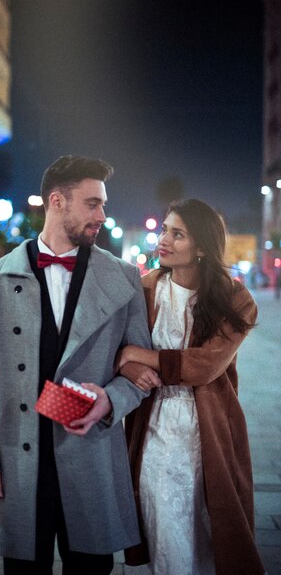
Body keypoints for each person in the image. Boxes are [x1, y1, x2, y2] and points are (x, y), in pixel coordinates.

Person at [0, 155, 156, 574]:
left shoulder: (124, 278)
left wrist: (110, 401)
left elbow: (143, 373)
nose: (102, 216)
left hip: (90, 455)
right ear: (57, 201)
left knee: (90, 568)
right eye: (92, 204)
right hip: (20, 459)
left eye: (103, 204)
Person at [117, 199, 265, 575]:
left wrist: (139, 354)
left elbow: (206, 364)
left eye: (177, 233)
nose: (163, 240)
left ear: (201, 247)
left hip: (210, 431)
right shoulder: (144, 289)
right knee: (164, 527)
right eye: (164, 229)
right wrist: (130, 363)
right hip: (151, 426)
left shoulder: (235, 299)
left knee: (209, 530)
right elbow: (115, 348)